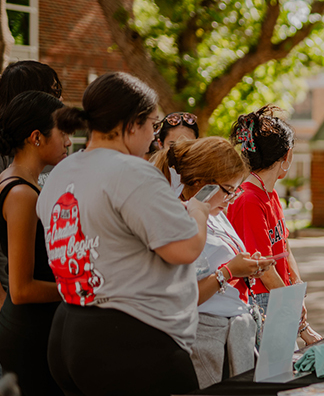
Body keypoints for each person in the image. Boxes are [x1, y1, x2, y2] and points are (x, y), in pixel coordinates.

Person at [36, 72, 210, 396]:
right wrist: (199, 214)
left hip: (69, 330)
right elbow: (184, 249)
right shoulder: (129, 171)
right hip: (131, 341)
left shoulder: (61, 172)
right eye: (153, 126)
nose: (154, 140)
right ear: (132, 124)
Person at [152, 137, 275, 387]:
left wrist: (246, 266)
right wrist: (229, 272)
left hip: (233, 331)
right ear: (200, 183)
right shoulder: (179, 218)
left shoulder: (213, 213)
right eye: (228, 189)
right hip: (203, 337)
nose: (231, 199)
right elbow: (183, 295)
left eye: (235, 190)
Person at [227, 105, 322, 346]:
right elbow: (264, 269)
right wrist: (295, 313)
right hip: (262, 299)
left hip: (279, 295)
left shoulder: (269, 194)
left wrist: (296, 287)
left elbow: (284, 247)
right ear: (287, 155)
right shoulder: (248, 199)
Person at [0, 91, 71, 395]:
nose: (69, 141)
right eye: (63, 132)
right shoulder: (21, 194)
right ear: (36, 137)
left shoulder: (19, 183)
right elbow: (22, 289)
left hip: (33, 326)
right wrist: (81, 288)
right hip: (29, 333)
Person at [0, 60, 64, 309]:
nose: (58, 101)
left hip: (47, 299)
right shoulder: (11, 165)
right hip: (19, 304)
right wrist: (5, 307)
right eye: (52, 92)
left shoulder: (49, 152)